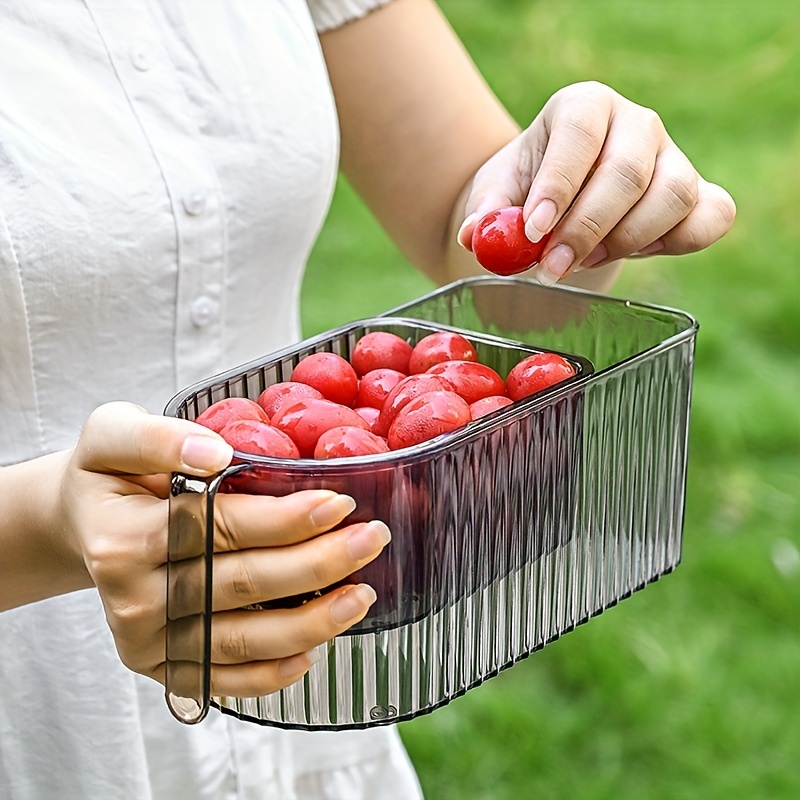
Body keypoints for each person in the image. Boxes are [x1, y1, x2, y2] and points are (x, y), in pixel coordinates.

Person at [0, 0, 735, 798]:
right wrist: (47, 526)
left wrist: (571, 190)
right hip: (42, 705)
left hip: (313, 644)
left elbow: (469, 215)